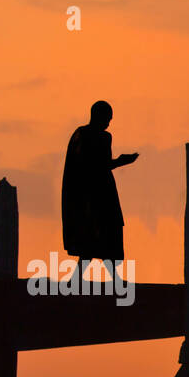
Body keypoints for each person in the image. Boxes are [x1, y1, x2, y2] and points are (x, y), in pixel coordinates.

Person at [61, 101, 138, 291]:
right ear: (98, 116)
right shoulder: (90, 136)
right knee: (96, 238)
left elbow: (98, 165)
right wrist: (120, 161)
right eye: (107, 119)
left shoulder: (90, 135)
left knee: (104, 239)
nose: (108, 123)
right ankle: (100, 280)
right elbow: (96, 166)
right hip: (94, 195)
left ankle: (91, 279)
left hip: (101, 192)